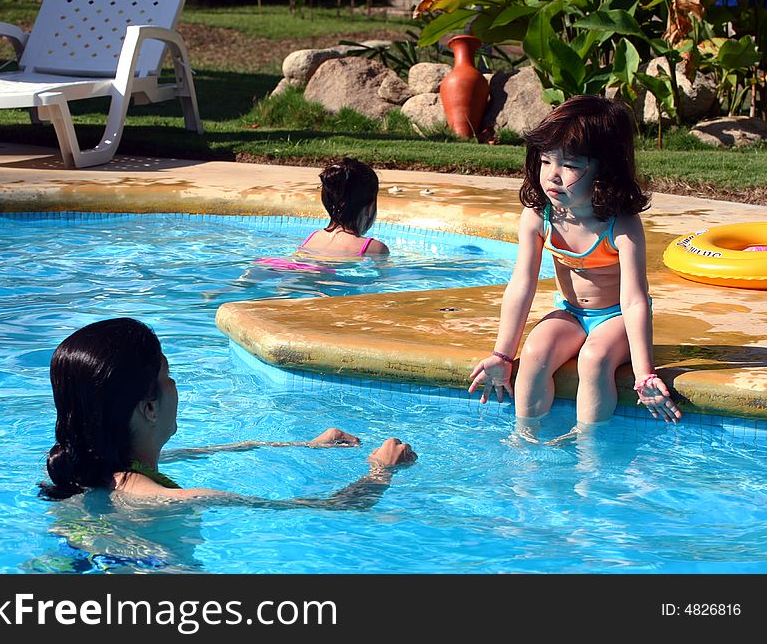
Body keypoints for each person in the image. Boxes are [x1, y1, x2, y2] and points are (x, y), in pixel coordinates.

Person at [467, 95, 681, 437]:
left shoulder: (620, 224)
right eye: (546, 160)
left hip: (616, 318)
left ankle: (589, 451)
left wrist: (645, 374)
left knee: (594, 359)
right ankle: (527, 442)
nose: (552, 176)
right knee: (535, 352)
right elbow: (522, 286)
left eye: (570, 164)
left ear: (604, 169)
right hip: (571, 314)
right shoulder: (539, 217)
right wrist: (503, 356)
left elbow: (635, 300)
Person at [40, 317, 416, 505]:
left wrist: (306, 445)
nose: (175, 386)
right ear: (150, 408)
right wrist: (381, 471)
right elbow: (328, 509)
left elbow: (214, 450)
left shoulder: (87, 474)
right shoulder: (174, 500)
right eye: (168, 376)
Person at [255, 158, 389, 273]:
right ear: (370, 207)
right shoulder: (374, 248)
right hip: (320, 275)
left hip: (280, 265)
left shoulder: (315, 236)